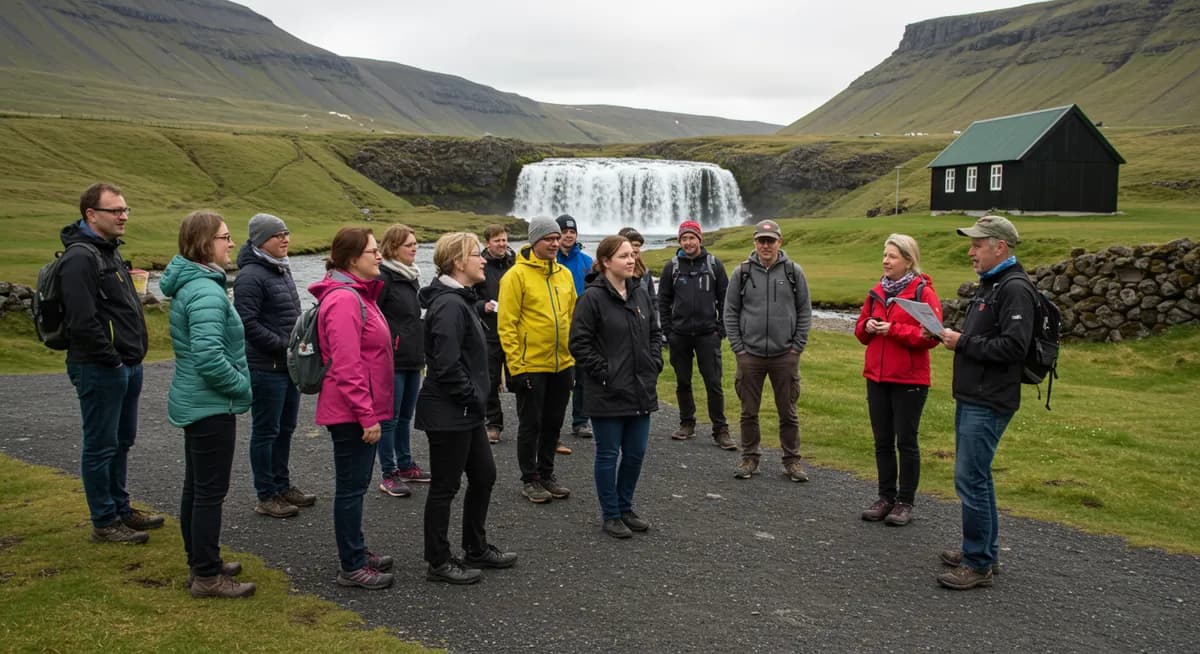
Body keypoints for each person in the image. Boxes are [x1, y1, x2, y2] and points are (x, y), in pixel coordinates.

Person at [59, 182, 163, 544]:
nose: (123, 216)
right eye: (115, 211)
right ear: (91, 214)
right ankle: (104, 521)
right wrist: (113, 362)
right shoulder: (80, 258)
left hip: (125, 365)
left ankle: (121, 508)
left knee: (121, 441)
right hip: (100, 368)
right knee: (101, 444)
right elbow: (82, 321)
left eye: (125, 210)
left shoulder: (109, 252)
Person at [937, 216, 1036, 590]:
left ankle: (977, 564)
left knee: (970, 479)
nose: (971, 251)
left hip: (989, 399)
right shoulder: (992, 285)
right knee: (977, 477)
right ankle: (983, 552)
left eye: (978, 244)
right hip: (975, 394)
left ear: (1001, 246)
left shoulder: (1013, 289)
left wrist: (961, 342)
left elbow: (1014, 347)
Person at [160, 210, 255, 598]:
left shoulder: (197, 284)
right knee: (209, 492)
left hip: (199, 401)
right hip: (211, 404)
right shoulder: (205, 291)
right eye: (224, 237)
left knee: (196, 487)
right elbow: (209, 356)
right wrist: (240, 387)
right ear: (204, 244)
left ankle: (202, 559)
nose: (231, 244)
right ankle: (207, 576)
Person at [416, 232, 518, 584]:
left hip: (465, 411)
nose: (484, 260)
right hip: (450, 412)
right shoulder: (448, 305)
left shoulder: (459, 300)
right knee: (445, 486)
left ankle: (475, 547)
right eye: (477, 255)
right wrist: (474, 396)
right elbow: (444, 366)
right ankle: (439, 561)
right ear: (458, 262)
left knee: (484, 475)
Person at [309, 227, 396, 590]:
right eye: (373, 252)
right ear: (351, 259)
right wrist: (367, 416)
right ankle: (352, 565)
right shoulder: (345, 300)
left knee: (355, 486)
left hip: (360, 410)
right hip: (353, 414)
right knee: (350, 488)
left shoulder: (358, 294)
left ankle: (357, 551)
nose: (379, 256)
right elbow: (346, 364)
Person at [570, 236, 663, 539]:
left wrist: (653, 365)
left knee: (635, 454)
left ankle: (625, 507)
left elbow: (654, 332)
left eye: (632, 255)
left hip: (640, 388)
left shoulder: (640, 294)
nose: (631, 259)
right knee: (608, 454)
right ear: (606, 262)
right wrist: (606, 373)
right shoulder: (592, 299)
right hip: (608, 390)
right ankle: (610, 514)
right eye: (623, 256)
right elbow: (579, 344)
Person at [853, 234, 942, 527]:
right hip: (877, 377)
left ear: (908, 260)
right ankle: (885, 497)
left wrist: (892, 329)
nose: (885, 261)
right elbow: (860, 333)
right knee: (882, 441)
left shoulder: (923, 293)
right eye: (884, 255)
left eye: (892, 256)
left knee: (906, 441)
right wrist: (867, 325)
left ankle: (905, 502)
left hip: (909, 379)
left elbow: (932, 337)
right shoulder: (876, 292)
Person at [233, 213, 315, 519]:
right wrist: (286, 345)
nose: (285, 239)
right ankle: (265, 495)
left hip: (287, 367)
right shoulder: (251, 276)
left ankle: (282, 485)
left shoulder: (280, 269)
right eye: (277, 235)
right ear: (260, 241)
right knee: (266, 431)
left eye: (286, 233)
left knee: (286, 429)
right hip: (265, 367)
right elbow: (247, 323)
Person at [724, 219, 812, 482]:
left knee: (788, 411)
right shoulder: (742, 272)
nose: (765, 245)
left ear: (779, 242)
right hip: (749, 355)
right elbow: (730, 312)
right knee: (748, 411)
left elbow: (804, 311)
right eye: (761, 241)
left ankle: (792, 461)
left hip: (784, 355)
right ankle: (750, 458)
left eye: (770, 241)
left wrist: (797, 347)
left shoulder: (794, 272)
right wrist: (738, 348)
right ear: (755, 242)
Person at [497, 217, 577, 504]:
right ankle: (529, 478)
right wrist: (515, 368)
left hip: (562, 363)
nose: (555, 243)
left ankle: (546, 473)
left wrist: (573, 357)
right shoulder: (515, 276)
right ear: (534, 241)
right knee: (531, 423)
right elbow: (506, 325)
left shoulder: (565, 275)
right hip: (531, 364)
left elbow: (572, 317)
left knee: (554, 422)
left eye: (557, 238)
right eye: (549, 239)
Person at [658, 220, 733, 449]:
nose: (688, 242)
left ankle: (720, 430)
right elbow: (663, 300)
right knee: (683, 381)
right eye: (684, 238)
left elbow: (726, 299)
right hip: (679, 335)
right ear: (679, 241)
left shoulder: (714, 265)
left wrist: (721, 329)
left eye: (692, 238)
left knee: (713, 383)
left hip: (707, 334)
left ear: (700, 240)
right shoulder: (672, 267)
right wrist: (668, 330)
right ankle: (687, 423)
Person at [375, 224, 431, 498]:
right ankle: (388, 473)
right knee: (388, 418)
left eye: (415, 243)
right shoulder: (383, 278)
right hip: (392, 360)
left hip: (413, 357)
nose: (414, 247)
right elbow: (375, 318)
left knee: (405, 416)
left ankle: (406, 465)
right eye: (409, 244)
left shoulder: (411, 276)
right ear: (393, 248)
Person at [473, 224, 516, 444]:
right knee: (489, 381)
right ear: (487, 242)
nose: (502, 244)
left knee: (519, 378)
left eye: (504, 239)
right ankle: (494, 424)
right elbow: (471, 295)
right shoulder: (479, 265)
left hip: (514, 330)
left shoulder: (515, 263)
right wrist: (482, 306)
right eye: (497, 240)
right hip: (489, 330)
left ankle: (530, 423)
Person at [556, 213, 593, 445]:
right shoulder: (551, 260)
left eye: (572, 232)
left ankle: (580, 421)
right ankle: (554, 424)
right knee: (559, 379)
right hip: (558, 328)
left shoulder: (587, 262)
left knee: (583, 376)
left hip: (583, 327)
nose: (568, 236)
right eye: (564, 232)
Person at [616, 227, 658, 324]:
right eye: (633, 245)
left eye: (638, 246)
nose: (636, 249)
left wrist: (655, 325)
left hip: (642, 326)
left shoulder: (644, 272)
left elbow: (653, 301)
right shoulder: (611, 272)